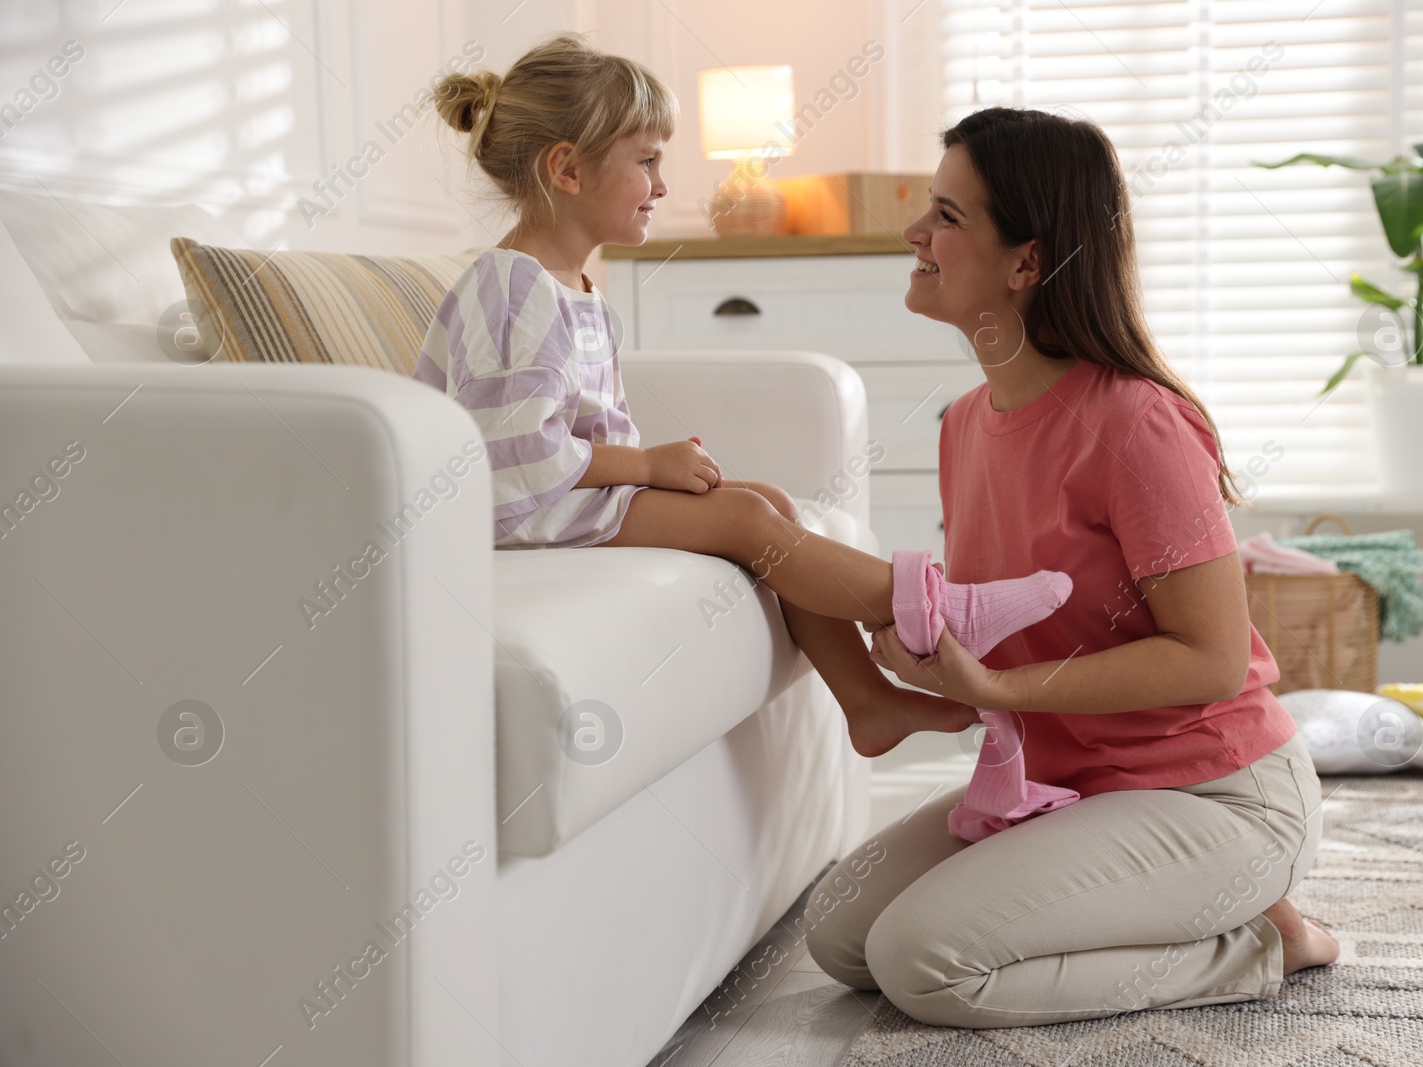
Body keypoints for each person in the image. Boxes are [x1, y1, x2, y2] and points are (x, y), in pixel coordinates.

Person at [803, 107, 1340, 1028]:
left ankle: (1257, 939)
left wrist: (1000, 687)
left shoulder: (1137, 424)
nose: (915, 234)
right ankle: (1152, 905)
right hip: (1074, 787)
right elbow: (1006, 608)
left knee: (921, 961)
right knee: (841, 935)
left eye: (947, 216)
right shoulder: (965, 424)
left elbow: (1211, 658)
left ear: (1025, 263)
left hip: (1215, 795)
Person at [414, 36, 1072, 756]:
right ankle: (939, 604)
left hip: (556, 505)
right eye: (646, 161)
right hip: (512, 518)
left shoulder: (576, 292)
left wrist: (646, 470)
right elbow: (511, 458)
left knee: (771, 505)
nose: (663, 186)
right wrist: (645, 467)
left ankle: (867, 699)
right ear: (567, 168)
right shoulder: (514, 288)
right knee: (748, 519)